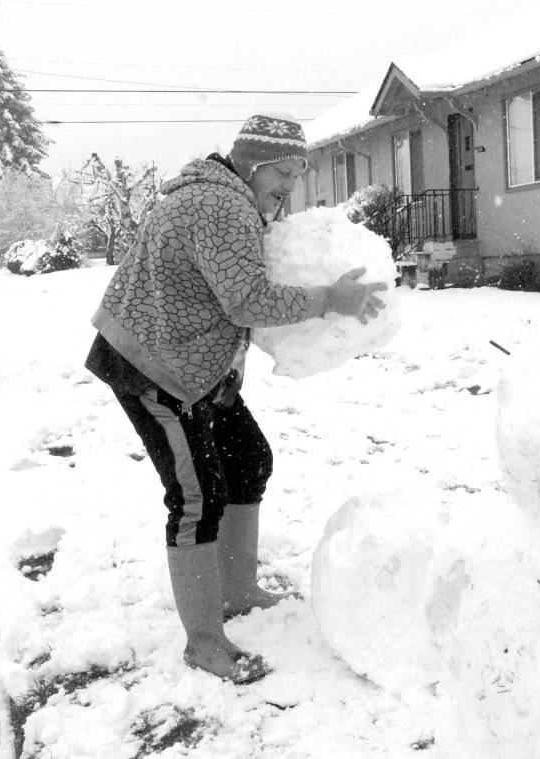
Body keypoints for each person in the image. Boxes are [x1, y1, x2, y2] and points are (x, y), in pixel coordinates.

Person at [84, 113, 387, 685]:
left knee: (248, 460)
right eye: (284, 172)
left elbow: (227, 293)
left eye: (299, 174)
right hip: (152, 362)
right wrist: (331, 299)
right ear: (251, 163)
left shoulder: (230, 201)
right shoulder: (219, 206)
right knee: (197, 495)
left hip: (195, 360)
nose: (290, 186)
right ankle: (204, 642)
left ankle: (240, 591)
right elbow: (248, 300)